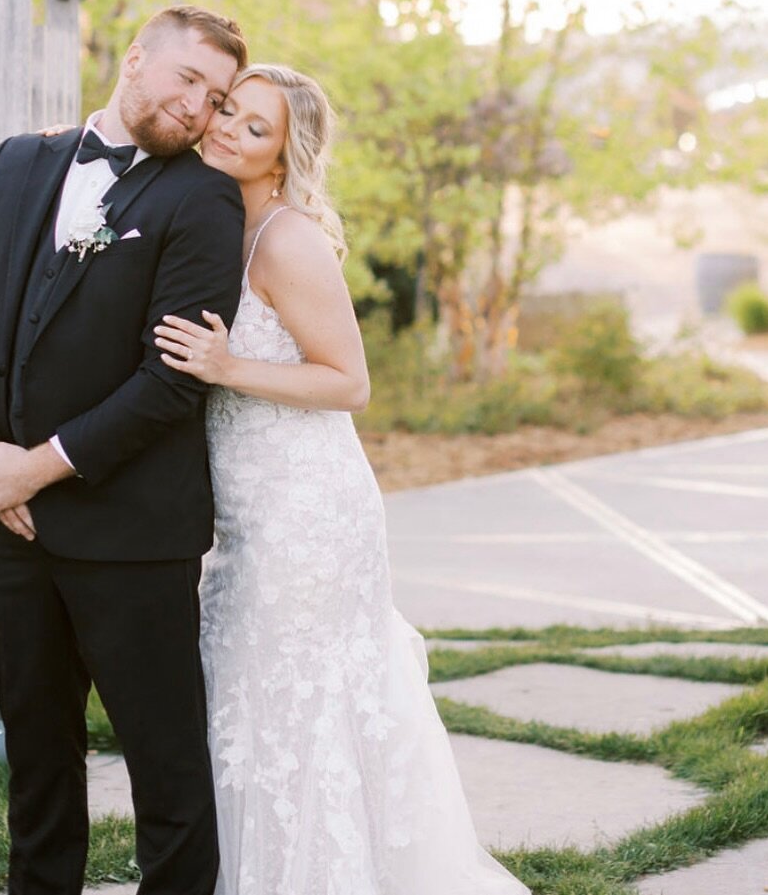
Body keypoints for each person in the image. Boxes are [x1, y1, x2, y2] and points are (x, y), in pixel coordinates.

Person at [154, 64, 529, 894]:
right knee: (252, 697)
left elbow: (349, 382)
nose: (225, 130)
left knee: (303, 703)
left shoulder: (287, 237)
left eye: (255, 128)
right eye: (227, 111)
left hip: (307, 511)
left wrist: (226, 364)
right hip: (249, 511)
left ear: (283, 158)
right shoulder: (220, 218)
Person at [0, 4, 249, 895]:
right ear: (136, 58)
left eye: (217, 99)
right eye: (188, 79)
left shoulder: (202, 197)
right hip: (9, 522)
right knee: (36, 764)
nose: (199, 108)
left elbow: (174, 378)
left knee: (167, 774)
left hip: (134, 535)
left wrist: (40, 463)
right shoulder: (18, 162)